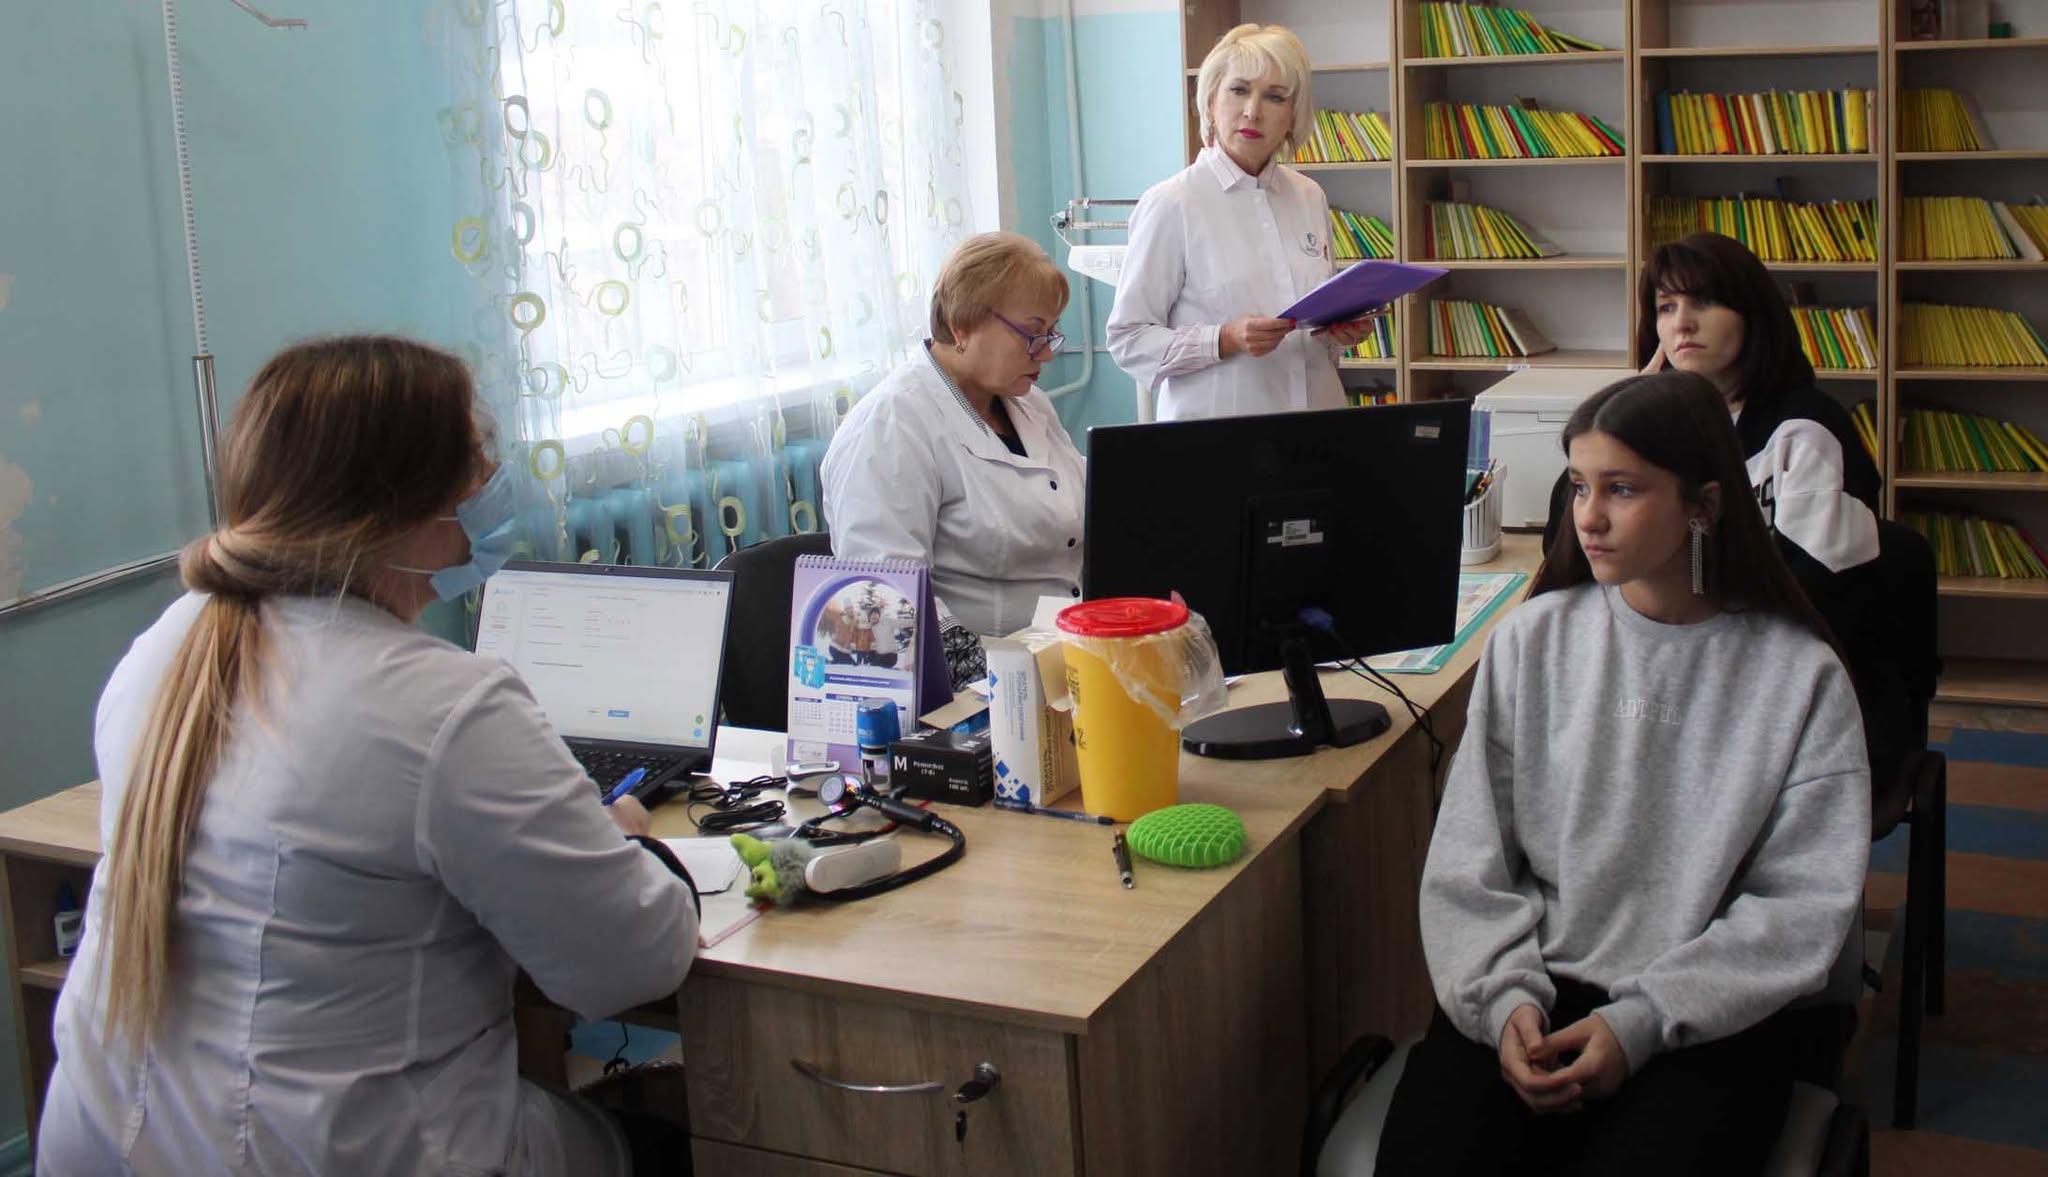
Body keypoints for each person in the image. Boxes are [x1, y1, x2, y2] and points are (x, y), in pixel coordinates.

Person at [38, 337, 699, 1176]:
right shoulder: (444, 707)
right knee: (682, 1140)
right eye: (475, 468)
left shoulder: (164, 650)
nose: (488, 485)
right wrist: (629, 842)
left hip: (111, 1142)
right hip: (333, 1152)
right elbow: (626, 963)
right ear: (402, 502)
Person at [1376, 371, 1871, 1177]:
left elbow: (1802, 905)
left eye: (1623, 488)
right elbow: (1469, 859)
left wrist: (1641, 1020)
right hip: (1533, 986)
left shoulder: (1798, 675)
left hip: (1707, 1010)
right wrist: (1503, 1002)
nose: (1589, 515)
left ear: (1704, 505)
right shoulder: (1531, 640)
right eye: (1579, 485)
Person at [1541, 230, 1902, 774]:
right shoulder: (1660, 428)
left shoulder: (1804, 430)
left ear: (1753, 316)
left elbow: (1820, 597)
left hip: (1771, 688)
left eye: (1704, 303)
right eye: (1666, 307)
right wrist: (1624, 415)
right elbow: (1567, 548)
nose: (1681, 324)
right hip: (1664, 663)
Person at [823, 231, 1087, 689]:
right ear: (961, 325)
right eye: (1032, 334)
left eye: (1050, 334)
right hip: (972, 691)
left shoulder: (1030, 405)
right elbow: (884, 598)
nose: (1045, 353)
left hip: (1057, 659)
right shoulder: (891, 425)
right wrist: (999, 682)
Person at [1106, 23, 1384, 422]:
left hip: (1317, 424)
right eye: (1238, 90)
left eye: (1274, 97)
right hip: (1218, 435)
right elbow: (1128, 340)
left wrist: (1340, 335)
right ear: (1210, 103)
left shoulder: (1309, 195)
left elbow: (1312, 332)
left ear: (1293, 115)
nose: (1253, 111)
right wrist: (1223, 339)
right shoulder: (1172, 203)